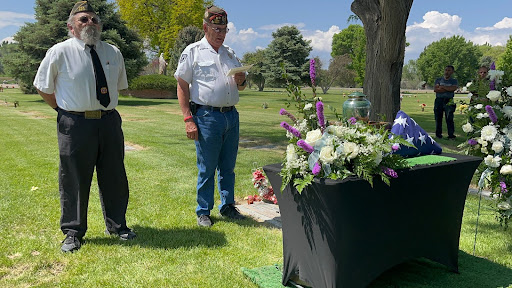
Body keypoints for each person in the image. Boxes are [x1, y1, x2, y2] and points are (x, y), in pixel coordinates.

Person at [33, 1, 136, 252]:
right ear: (71, 26)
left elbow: (118, 86)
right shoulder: (59, 52)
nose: (90, 23)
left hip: (109, 121)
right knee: (74, 179)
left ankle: (118, 225)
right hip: (75, 123)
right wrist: (63, 111)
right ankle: (73, 232)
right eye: (83, 20)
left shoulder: (113, 52)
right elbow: (43, 87)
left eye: (93, 19)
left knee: (114, 176)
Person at [174, 5, 247, 227]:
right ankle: (203, 210)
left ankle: (228, 205)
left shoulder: (230, 53)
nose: (221, 34)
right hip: (207, 117)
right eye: (216, 29)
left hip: (231, 117)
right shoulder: (193, 51)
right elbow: (182, 85)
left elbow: (242, 87)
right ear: (206, 27)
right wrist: (188, 119)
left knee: (228, 166)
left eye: (224, 29)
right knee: (207, 167)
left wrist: (242, 80)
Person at [434, 65, 458, 139]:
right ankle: (438, 135)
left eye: (449, 70)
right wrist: (448, 88)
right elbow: (436, 89)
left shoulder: (454, 81)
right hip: (439, 100)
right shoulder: (438, 80)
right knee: (438, 118)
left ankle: (451, 135)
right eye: (446, 70)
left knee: (449, 118)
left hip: (449, 100)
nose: (447, 72)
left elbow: (453, 88)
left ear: (452, 72)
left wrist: (443, 87)